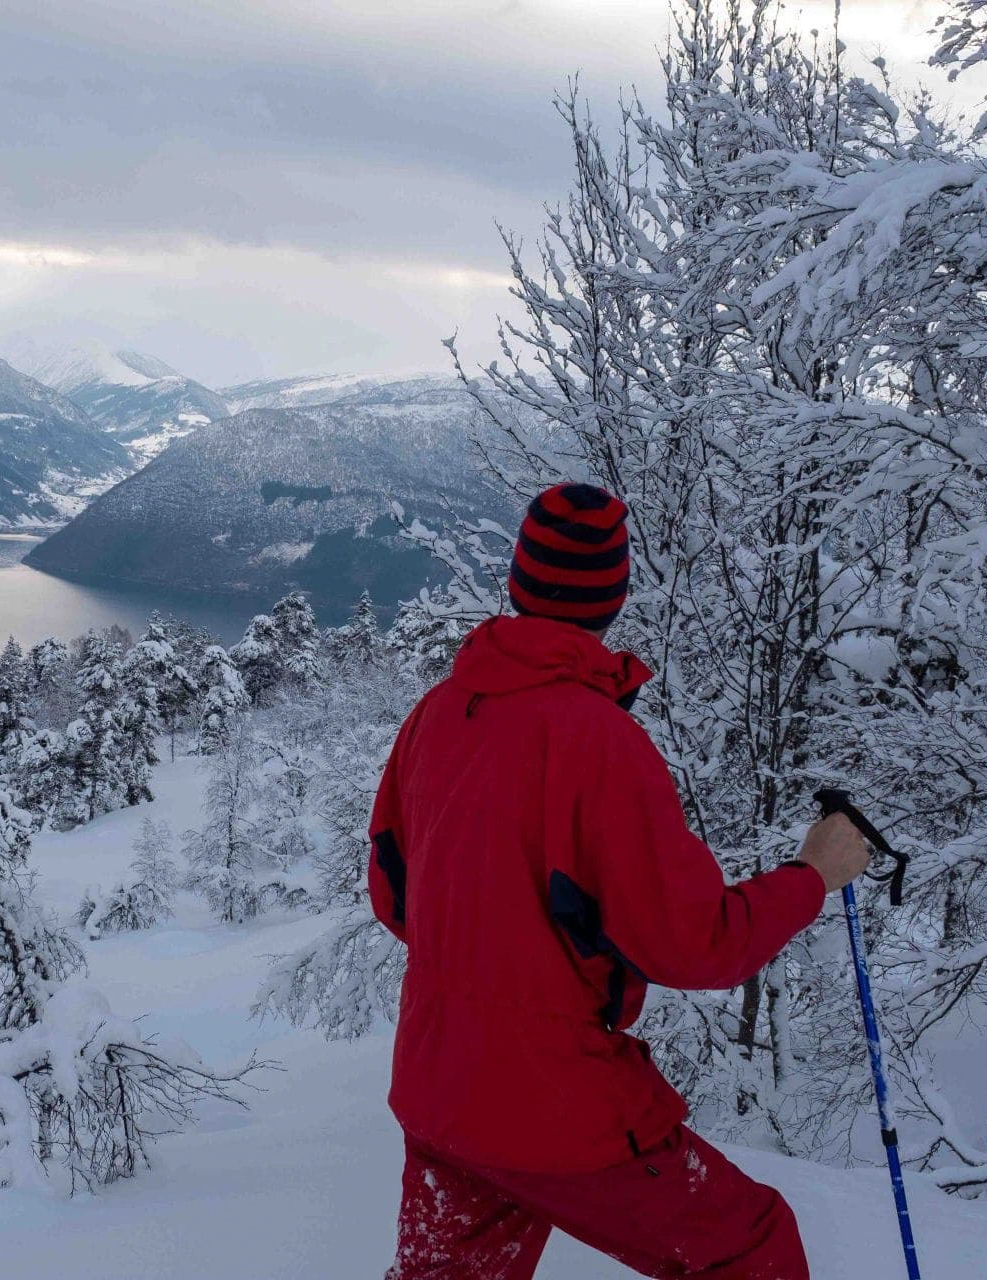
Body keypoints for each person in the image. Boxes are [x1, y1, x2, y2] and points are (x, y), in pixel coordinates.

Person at [368, 482, 872, 1280]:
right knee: (749, 1248)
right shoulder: (598, 740)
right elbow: (697, 946)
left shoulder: (440, 711)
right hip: (554, 1102)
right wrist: (813, 874)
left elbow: (395, 897)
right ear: (615, 596)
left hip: (436, 1085)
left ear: (518, 581)